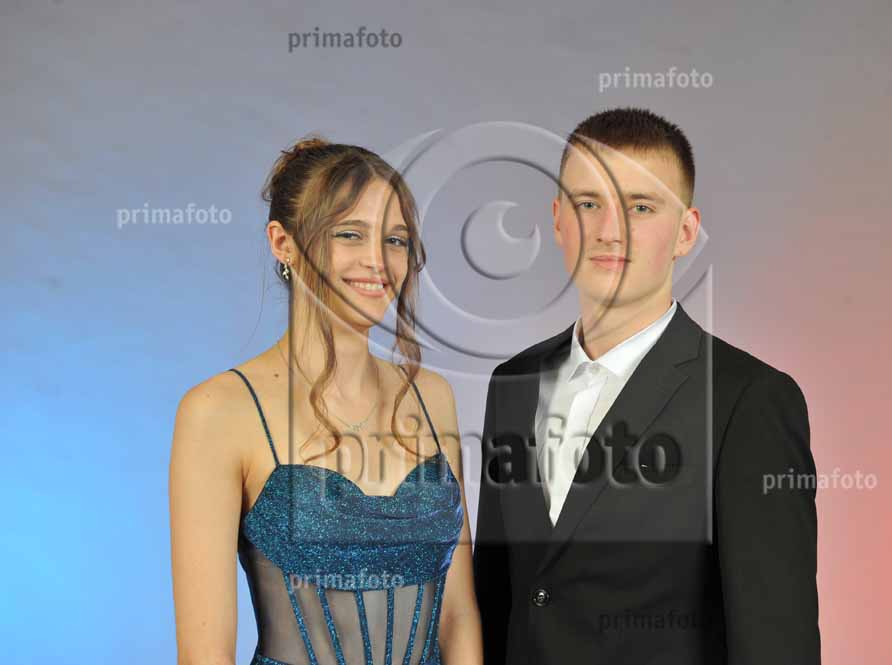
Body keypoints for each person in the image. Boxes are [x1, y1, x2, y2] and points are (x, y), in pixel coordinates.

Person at [473, 108, 821, 664]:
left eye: (640, 206)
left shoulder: (747, 400)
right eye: (589, 204)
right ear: (559, 220)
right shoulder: (513, 384)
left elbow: (776, 642)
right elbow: (496, 600)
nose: (610, 230)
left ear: (685, 232)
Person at [170, 137, 483, 665]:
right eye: (349, 233)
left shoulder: (432, 397)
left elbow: (458, 616)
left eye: (395, 239)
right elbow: (205, 655)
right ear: (283, 243)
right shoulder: (218, 411)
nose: (377, 260)